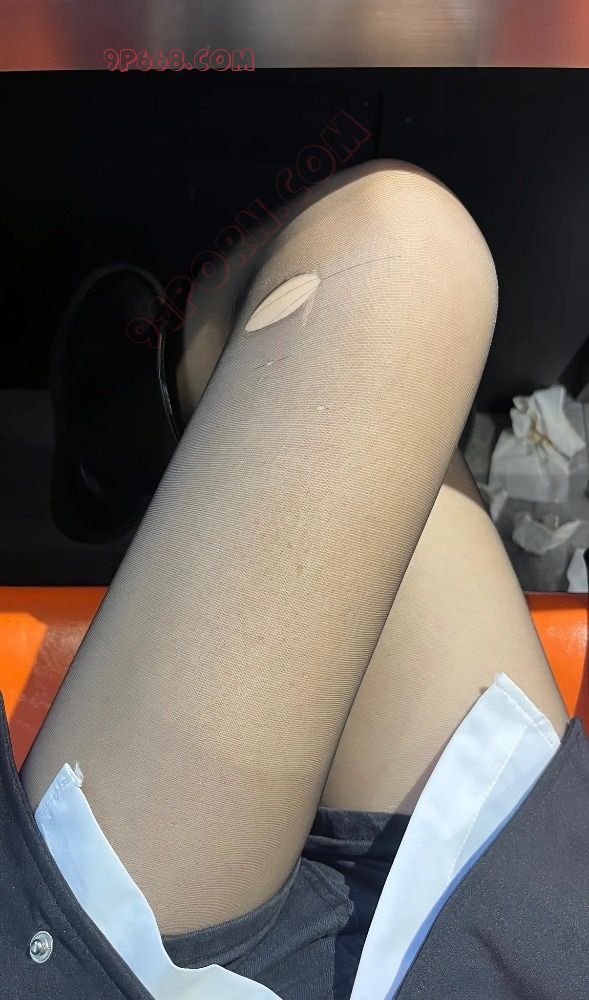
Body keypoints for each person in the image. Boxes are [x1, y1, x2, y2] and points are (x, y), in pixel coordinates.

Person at [0, 161, 584, 1000]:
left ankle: (142, 445)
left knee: (383, 264)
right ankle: (159, 427)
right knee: (401, 260)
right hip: (513, 935)